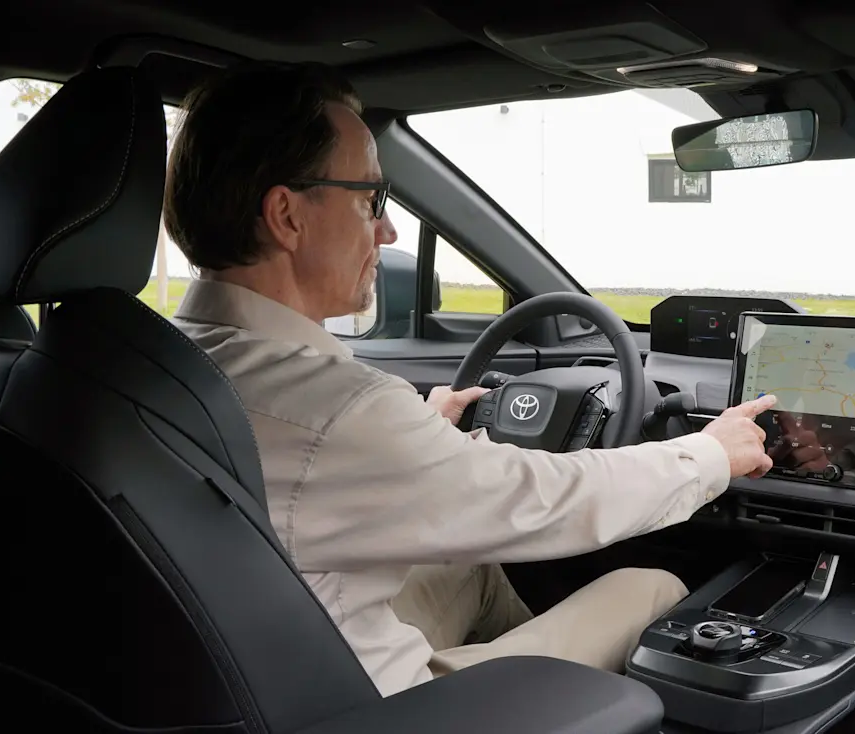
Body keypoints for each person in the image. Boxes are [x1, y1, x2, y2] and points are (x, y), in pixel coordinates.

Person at [164, 61, 776, 697]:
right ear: (287, 216)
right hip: (360, 704)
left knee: (472, 561)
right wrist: (710, 453)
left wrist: (418, 439)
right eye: (371, 199)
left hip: (257, 660)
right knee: (651, 586)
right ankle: (539, 704)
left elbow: (301, 473)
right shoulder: (339, 412)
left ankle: (533, 692)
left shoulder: (164, 358)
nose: (389, 229)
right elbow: (550, 499)